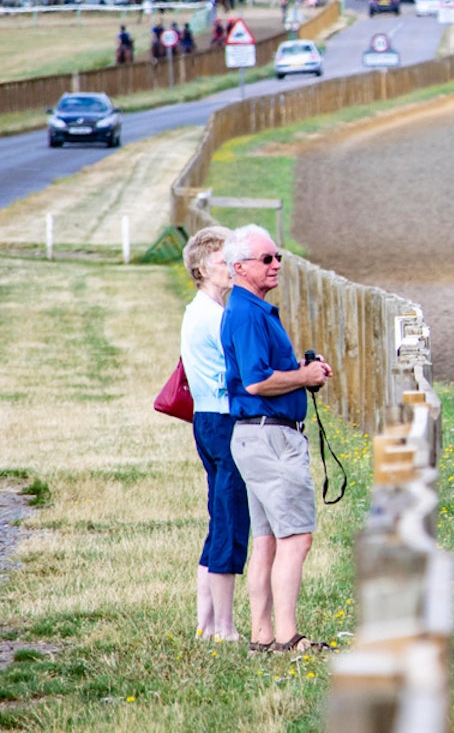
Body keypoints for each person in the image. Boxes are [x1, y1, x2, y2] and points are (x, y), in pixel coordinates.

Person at [221, 224, 333, 654]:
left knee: (267, 541)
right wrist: (304, 376)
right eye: (267, 259)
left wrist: (306, 375)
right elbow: (255, 383)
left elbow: (265, 376)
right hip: (270, 439)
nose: (276, 265)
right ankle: (287, 637)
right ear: (240, 267)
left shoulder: (250, 309)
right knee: (296, 538)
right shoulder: (248, 312)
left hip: (259, 438)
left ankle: (263, 636)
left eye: (277, 257)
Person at [180, 225, 245, 643]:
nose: (232, 270)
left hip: (205, 419)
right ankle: (223, 626)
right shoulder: (216, 316)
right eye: (224, 263)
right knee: (230, 522)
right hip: (223, 421)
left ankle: (206, 623)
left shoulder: (194, 311)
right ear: (203, 268)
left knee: (218, 518)